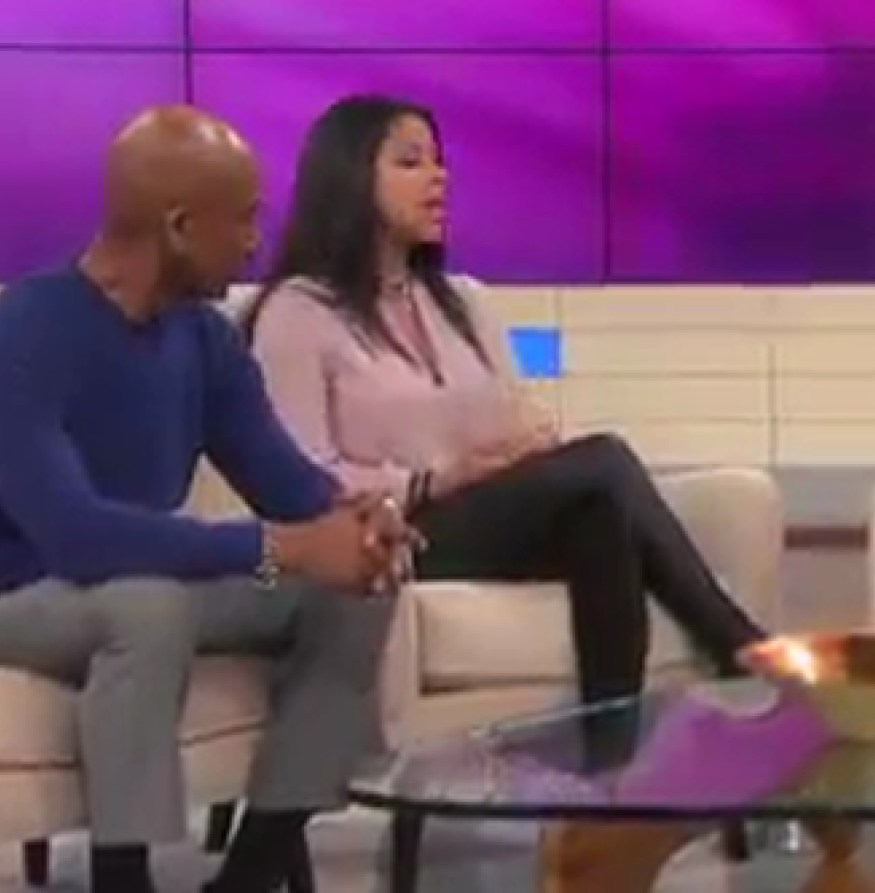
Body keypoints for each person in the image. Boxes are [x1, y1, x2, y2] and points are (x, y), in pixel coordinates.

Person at [0, 105, 419, 893]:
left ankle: (252, 872)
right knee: (146, 607)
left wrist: (358, 519)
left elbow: (286, 484)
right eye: (245, 218)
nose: (257, 241)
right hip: (27, 593)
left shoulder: (204, 338)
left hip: (153, 577)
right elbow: (75, 537)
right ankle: (123, 881)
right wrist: (279, 547)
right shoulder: (25, 331)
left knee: (353, 590)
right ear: (181, 227)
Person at [242, 93, 770, 717]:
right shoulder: (299, 313)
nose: (438, 177)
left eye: (438, 161)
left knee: (601, 512)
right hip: (390, 535)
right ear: (349, 177)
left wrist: (527, 445)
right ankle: (736, 642)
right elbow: (301, 481)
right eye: (410, 162)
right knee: (604, 461)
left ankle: (610, 758)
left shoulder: (463, 302)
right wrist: (433, 480)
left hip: (487, 515)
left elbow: (514, 415)